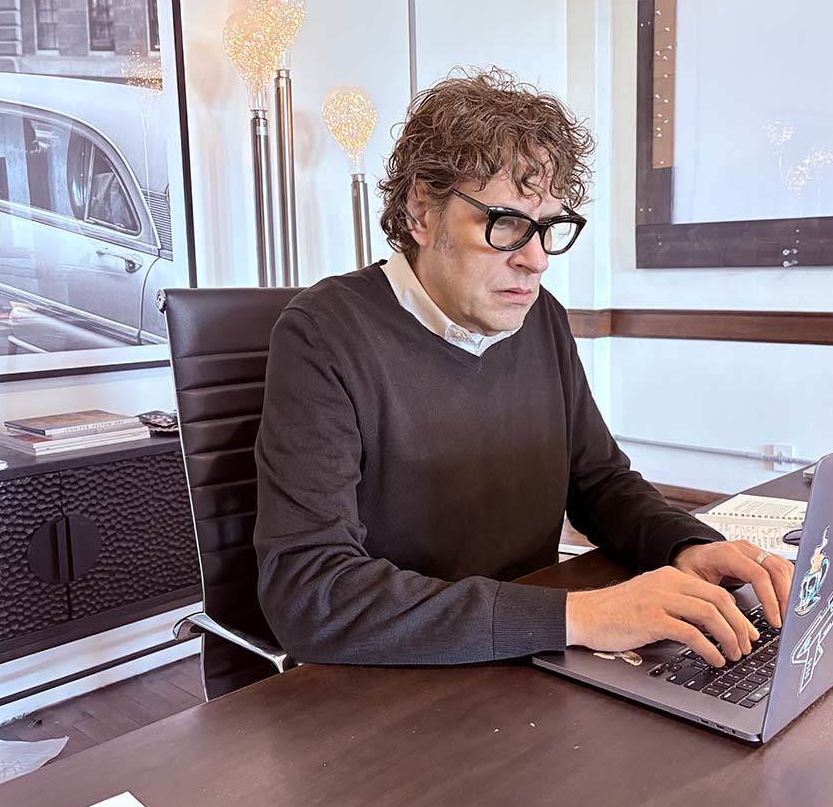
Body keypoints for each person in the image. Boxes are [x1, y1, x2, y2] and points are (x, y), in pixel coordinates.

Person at [254, 67, 793, 669]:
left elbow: (599, 484)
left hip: (531, 658)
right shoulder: (325, 334)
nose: (536, 260)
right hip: (397, 679)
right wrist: (579, 617)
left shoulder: (542, 319)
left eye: (548, 228)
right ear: (421, 211)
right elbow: (311, 592)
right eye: (506, 223)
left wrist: (684, 544)